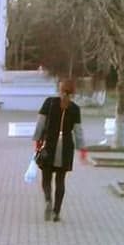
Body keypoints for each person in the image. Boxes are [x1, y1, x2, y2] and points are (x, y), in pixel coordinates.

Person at [32, 78, 87, 222]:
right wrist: (82, 150)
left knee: (46, 178)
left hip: (49, 145)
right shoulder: (75, 108)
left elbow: (40, 124)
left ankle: (48, 200)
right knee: (60, 181)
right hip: (66, 148)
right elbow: (78, 132)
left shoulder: (49, 103)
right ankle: (56, 212)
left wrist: (37, 141)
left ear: (59, 89)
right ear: (73, 92)